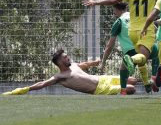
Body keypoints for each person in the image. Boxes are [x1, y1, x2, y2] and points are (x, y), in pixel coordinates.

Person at [83, 0, 161, 93]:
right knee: (143, 57)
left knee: (141, 56)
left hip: (132, 32)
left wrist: (95, 2)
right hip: (146, 30)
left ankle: (147, 82)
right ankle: (132, 61)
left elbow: (115, 0)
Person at [2, 49, 137, 95]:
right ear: (60, 62)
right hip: (100, 89)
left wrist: (97, 62)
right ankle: (121, 95)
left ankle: (149, 82)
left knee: (133, 80)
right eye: (65, 57)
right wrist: (24, 89)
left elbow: (84, 64)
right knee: (131, 88)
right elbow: (42, 84)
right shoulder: (60, 76)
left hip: (103, 78)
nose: (68, 57)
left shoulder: (74, 66)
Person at [100, 2, 159, 94]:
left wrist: (103, 62)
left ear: (116, 9)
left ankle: (123, 91)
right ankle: (152, 79)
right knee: (155, 55)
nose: (114, 13)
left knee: (123, 69)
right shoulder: (137, 16)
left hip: (131, 51)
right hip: (148, 46)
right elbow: (154, 28)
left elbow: (110, 46)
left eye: (114, 10)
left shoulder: (119, 22)